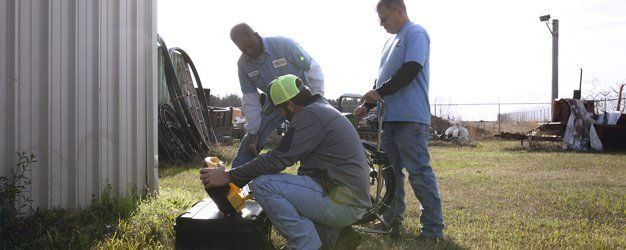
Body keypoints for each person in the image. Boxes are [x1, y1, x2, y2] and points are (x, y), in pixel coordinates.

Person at [201, 75, 369, 249]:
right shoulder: (320, 109)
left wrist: (229, 176)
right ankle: (335, 235)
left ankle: (305, 243)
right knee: (285, 185)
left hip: (343, 204)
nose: (280, 115)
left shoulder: (309, 115)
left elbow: (278, 159)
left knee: (264, 185)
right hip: (345, 198)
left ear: (290, 104)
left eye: (279, 110)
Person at [354, 0, 445, 241]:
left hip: (410, 118)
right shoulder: (389, 42)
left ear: (399, 11)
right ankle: (392, 219)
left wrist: (380, 93)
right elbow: (381, 82)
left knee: (419, 173)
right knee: (391, 174)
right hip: (389, 119)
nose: (381, 24)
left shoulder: (415, 32)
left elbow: (411, 68)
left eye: (384, 18)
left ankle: (432, 229)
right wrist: (368, 105)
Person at [230, 23, 324, 169]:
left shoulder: (284, 45)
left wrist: (317, 101)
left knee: (313, 137)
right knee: (250, 142)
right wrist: (254, 133)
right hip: (274, 104)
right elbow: (251, 100)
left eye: (250, 45)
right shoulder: (243, 65)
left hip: (302, 101)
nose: (249, 51)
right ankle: (232, 180)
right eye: (243, 49)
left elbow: (313, 69)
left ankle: (316, 172)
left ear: (256, 35)